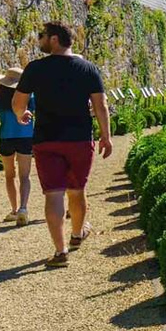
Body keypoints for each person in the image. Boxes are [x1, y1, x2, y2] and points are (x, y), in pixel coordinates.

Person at [12, 22, 112, 268]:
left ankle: (60, 251)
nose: (40, 40)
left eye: (42, 36)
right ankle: (77, 235)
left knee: (53, 194)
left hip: (46, 139)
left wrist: (20, 115)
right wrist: (106, 136)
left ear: (54, 39)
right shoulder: (88, 69)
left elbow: (18, 101)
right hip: (79, 139)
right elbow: (101, 106)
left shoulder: (35, 68)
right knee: (77, 190)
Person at [0, 67, 34, 226]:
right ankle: (23, 208)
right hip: (26, 137)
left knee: (9, 175)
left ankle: (14, 210)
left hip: (6, 138)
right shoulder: (29, 97)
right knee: (25, 176)